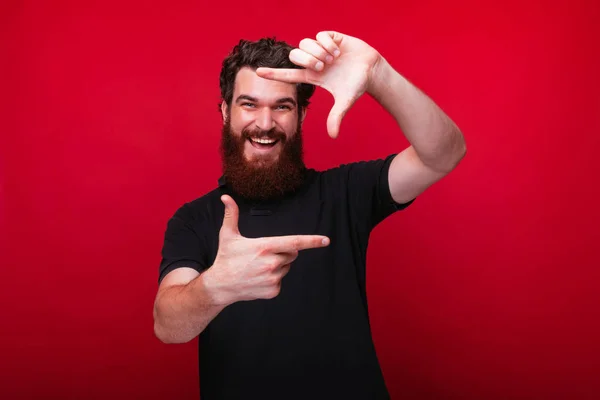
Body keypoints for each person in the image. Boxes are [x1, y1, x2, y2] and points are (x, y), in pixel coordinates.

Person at [153, 31, 466, 399]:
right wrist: (215, 287)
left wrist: (379, 74)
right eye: (249, 104)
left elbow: (444, 153)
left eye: (282, 106)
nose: (265, 123)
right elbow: (168, 324)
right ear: (226, 111)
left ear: (301, 114)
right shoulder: (194, 220)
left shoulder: (345, 193)